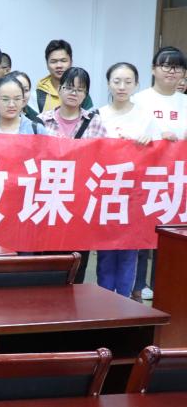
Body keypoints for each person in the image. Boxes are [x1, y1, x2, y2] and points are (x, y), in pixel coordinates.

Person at [130, 46, 187, 300]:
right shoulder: (140, 100)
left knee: (170, 234)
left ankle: (161, 286)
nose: (171, 71)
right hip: (145, 177)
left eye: (177, 67)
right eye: (165, 65)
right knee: (142, 233)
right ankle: (137, 286)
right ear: (153, 69)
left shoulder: (185, 102)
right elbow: (128, 133)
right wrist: (157, 136)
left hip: (176, 180)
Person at [96, 62, 157, 298]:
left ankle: (123, 302)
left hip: (134, 193)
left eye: (128, 82)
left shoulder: (145, 116)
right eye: (117, 81)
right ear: (108, 84)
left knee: (129, 250)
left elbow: (159, 152)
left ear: (136, 85)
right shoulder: (98, 114)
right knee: (105, 251)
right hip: (106, 191)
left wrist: (149, 141)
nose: (122, 86)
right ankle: (103, 301)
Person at [40, 67, 105, 285]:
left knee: (77, 260)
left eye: (80, 89)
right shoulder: (41, 121)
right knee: (48, 259)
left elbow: (104, 159)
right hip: (48, 201)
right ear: (59, 89)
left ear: (86, 94)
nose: (73, 93)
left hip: (80, 202)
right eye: (69, 87)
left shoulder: (95, 122)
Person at [37, 40, 93, 112]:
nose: (59, 65)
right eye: (53, 61)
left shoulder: (80, 93)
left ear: (71, 62)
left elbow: (89, 117)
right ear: (47, 64)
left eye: (63, 61)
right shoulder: (37, 95)